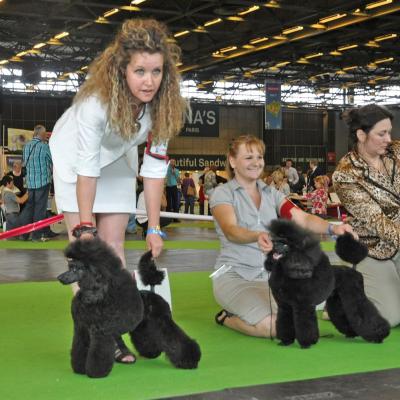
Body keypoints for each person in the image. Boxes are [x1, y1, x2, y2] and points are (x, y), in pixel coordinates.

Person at [49, 19, 187, 362]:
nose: (149, 81)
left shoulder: (164, 106)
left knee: (114, 250)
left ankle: (114, 332)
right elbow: (87, 168)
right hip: (75, 160)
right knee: (89, 257)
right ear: (122, 69)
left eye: (156, 72)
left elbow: (154, 170)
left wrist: (153, 227)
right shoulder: (95, 105)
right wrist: (83, 228)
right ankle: (95, 336)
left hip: (119, 158)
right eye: (140, 71)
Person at [210, 135, 355, 338]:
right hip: (236, 275)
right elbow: (231, 230)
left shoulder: (272, 193)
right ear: (233, 161)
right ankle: (227, 318)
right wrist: (256, 235)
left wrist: (333, 228)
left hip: (274, 276)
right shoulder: (222, 194)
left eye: (259, 156)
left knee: (300, 313)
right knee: (275, 327)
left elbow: (302, 219)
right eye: (248, 157)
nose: (256, 162)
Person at [333, 104, 400, 327]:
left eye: (389, 132)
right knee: (388, 318)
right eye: (381, 134)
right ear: (361, 135)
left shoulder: (396, 152)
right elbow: (379, 223)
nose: (388, 139)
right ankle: (345, 295)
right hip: (373, 248)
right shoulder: (345, 174)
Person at [21, 124, 53, 241]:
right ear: (42, 134)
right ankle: (37, 236)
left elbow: (24, 163)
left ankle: (24, 234)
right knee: (40, 208)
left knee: (29, 207)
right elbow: (52, 160)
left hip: (30, 183)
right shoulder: (44, 147)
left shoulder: (26, 146)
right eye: (45, 134)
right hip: (42, 182)